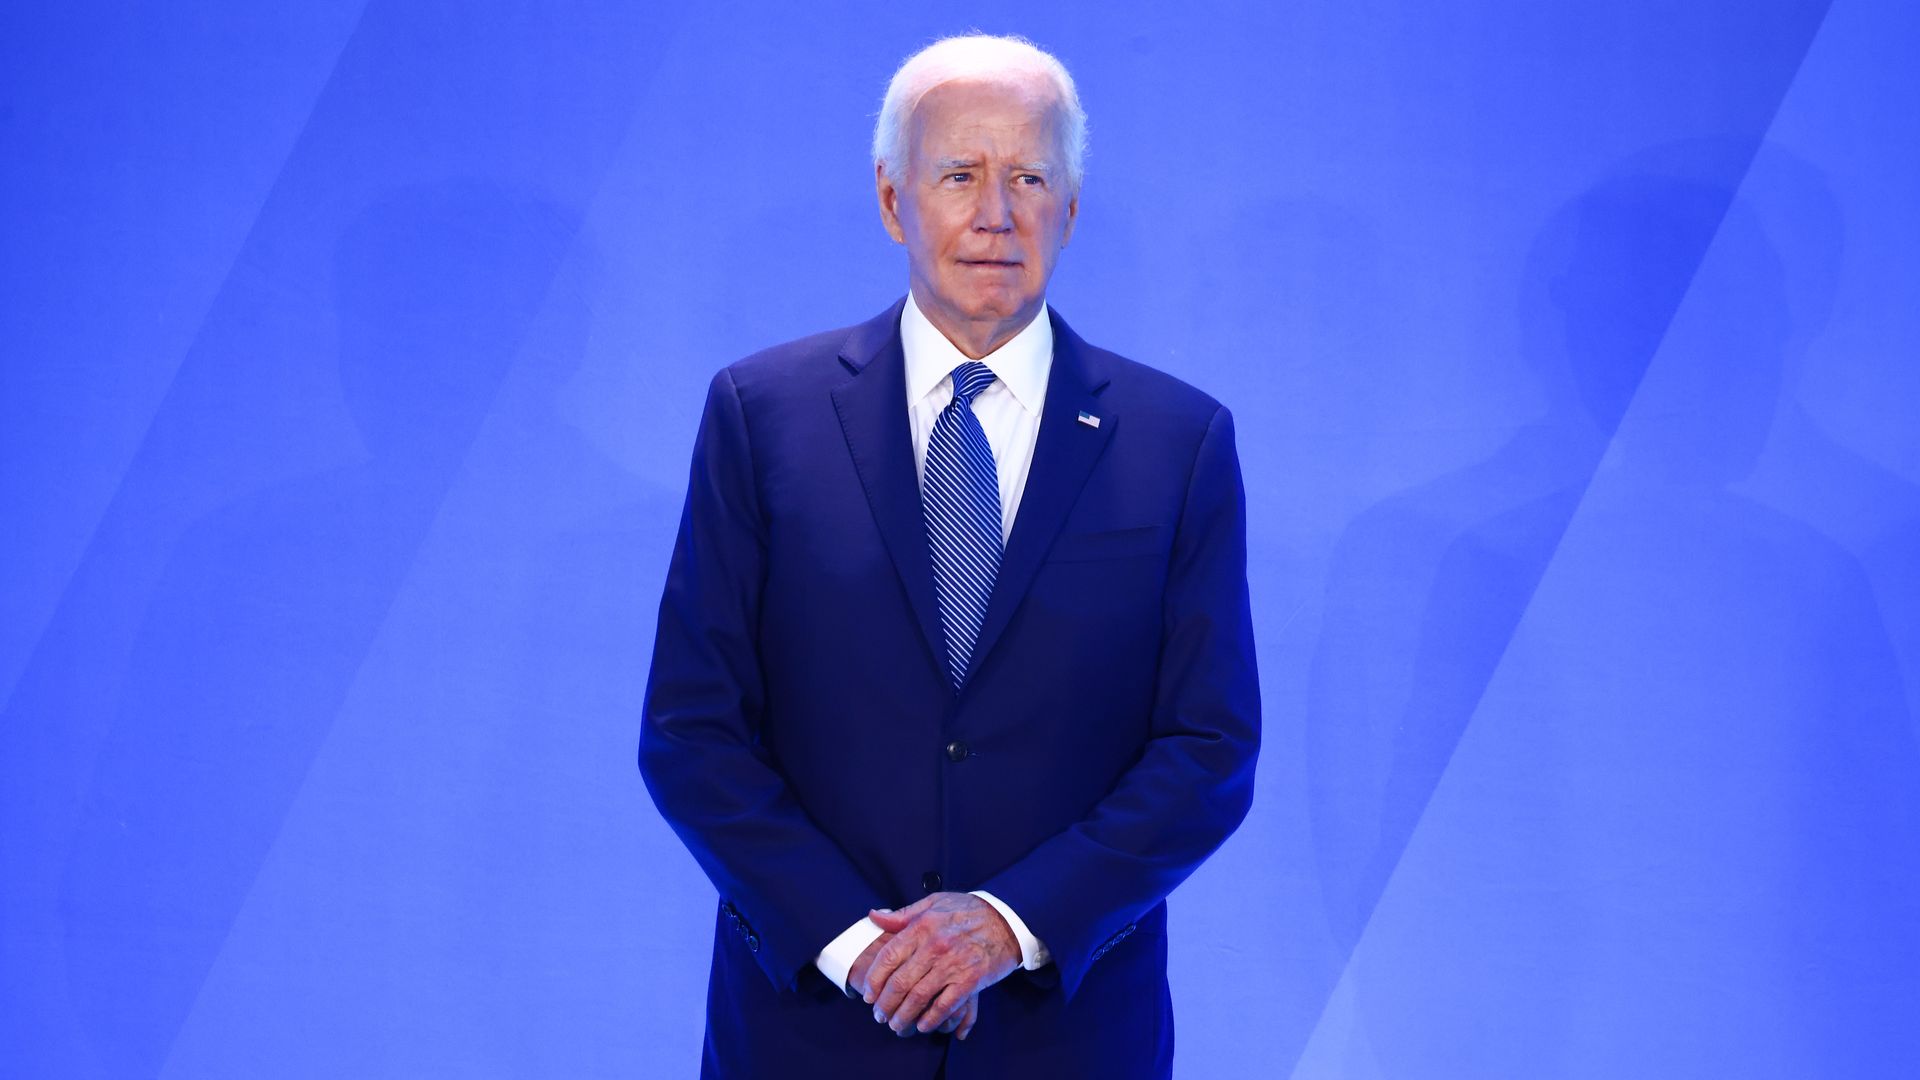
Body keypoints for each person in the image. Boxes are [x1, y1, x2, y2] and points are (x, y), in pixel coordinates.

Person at [639, 34, 1259, 1079]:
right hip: (811, 1030)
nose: (996, 214)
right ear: (893, 203)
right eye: (959, 175)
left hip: (1066, 1038)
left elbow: (1207, 749)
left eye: (1029, 177)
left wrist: (1008, 923)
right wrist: (860, 947)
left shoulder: (1178, 441)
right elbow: (690, 732)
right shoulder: (763, 416)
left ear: (1072, 208)